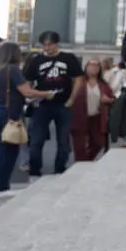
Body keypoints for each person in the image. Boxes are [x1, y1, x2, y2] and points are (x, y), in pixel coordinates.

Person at [0, 43, 54, 199]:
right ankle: (1, 187)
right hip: (8, 114)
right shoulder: (12, 70)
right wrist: (47, 94)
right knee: (7, 150)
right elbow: (27, 92)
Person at [23, 31, 81, 178]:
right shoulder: (36, 61)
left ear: (56, 44)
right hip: (42, 104)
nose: (47, 48)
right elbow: (28, 81)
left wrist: (72, 100)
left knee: (63, 140)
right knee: (36, 140)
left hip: (63, 104)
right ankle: (35, 170)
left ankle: (59, 169)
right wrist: (32, 96)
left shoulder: (69, 58)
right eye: (44, 45)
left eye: (50, 45)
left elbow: (78, 80)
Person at [66, 58, 115, 161]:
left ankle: (86, 160)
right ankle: (81, 163)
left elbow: (113, 99)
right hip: (79, 117)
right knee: (79, 146)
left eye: (97, 65)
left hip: (97, 117)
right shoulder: (78, 82)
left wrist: (108, 100)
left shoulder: (103, 85)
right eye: (91, 65)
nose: (94, 68)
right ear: (86, 67)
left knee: (99, 143)